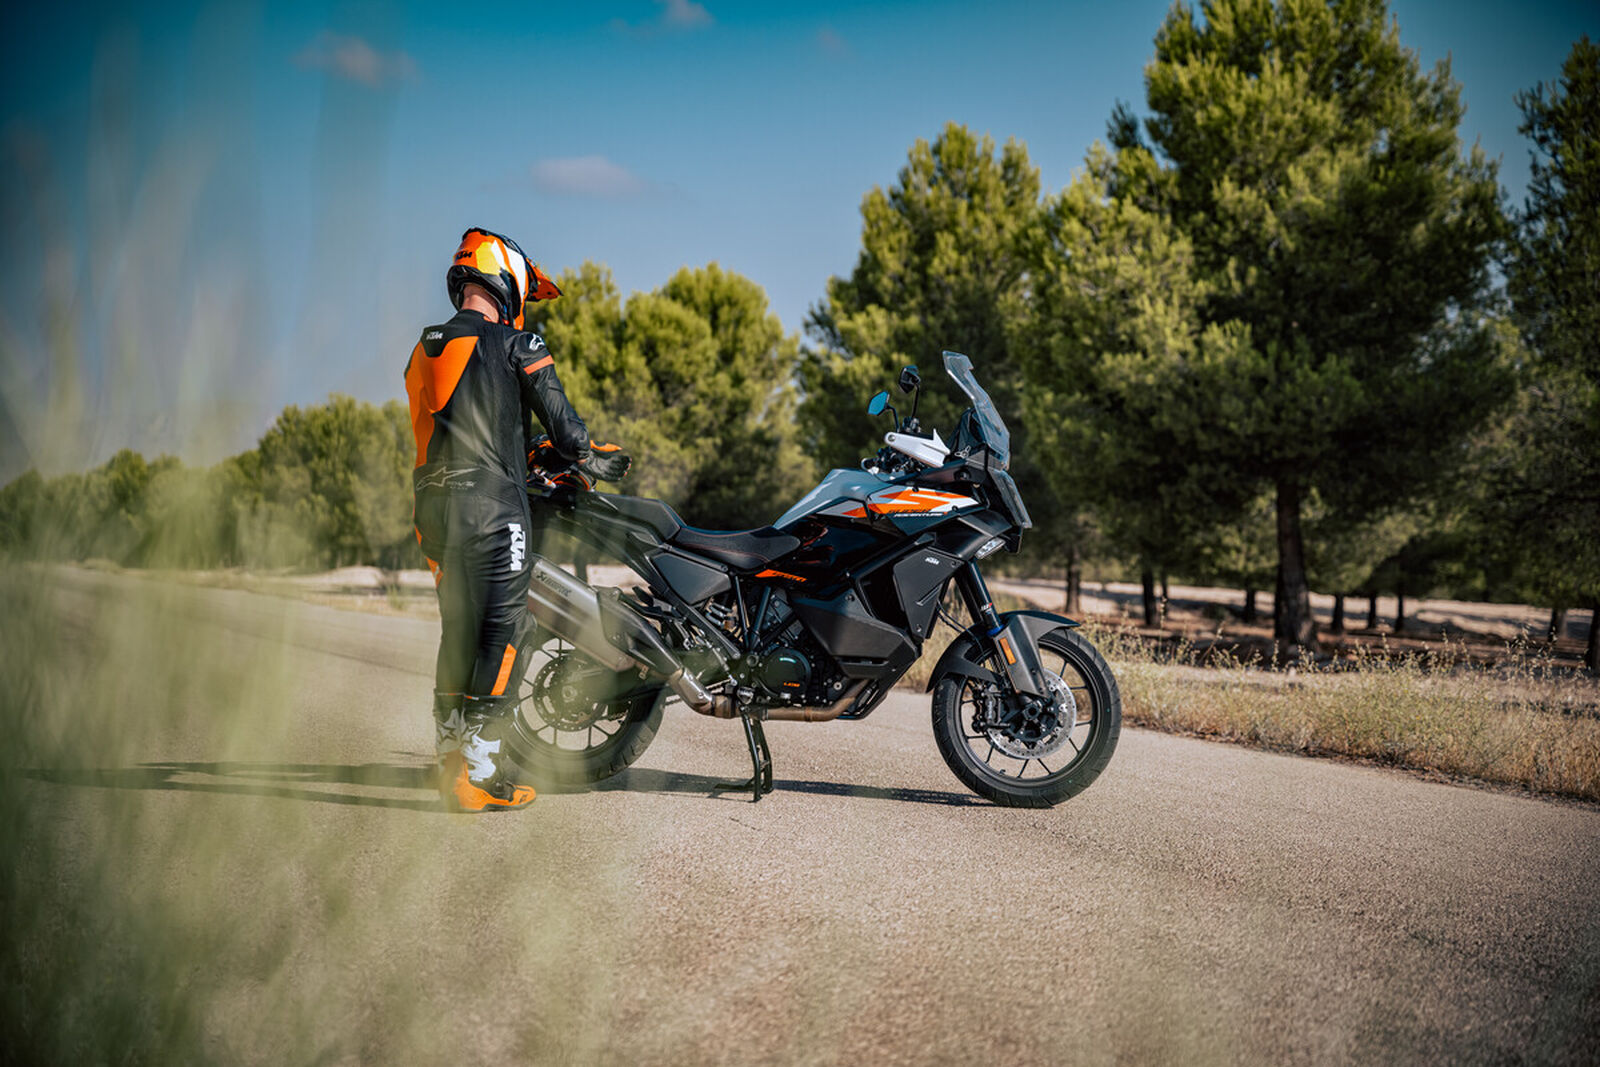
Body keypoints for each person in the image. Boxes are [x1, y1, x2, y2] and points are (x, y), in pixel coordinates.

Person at [404, 227, 630, 812]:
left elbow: (453, 428)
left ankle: (448, 765)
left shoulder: (423, 349)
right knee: (505, 633)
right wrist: (593, 456)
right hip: (494, 509)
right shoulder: (518, 342)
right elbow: (568, 433)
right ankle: (480, 775)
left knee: (457, 633)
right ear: (506, 280)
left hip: (432, 512)